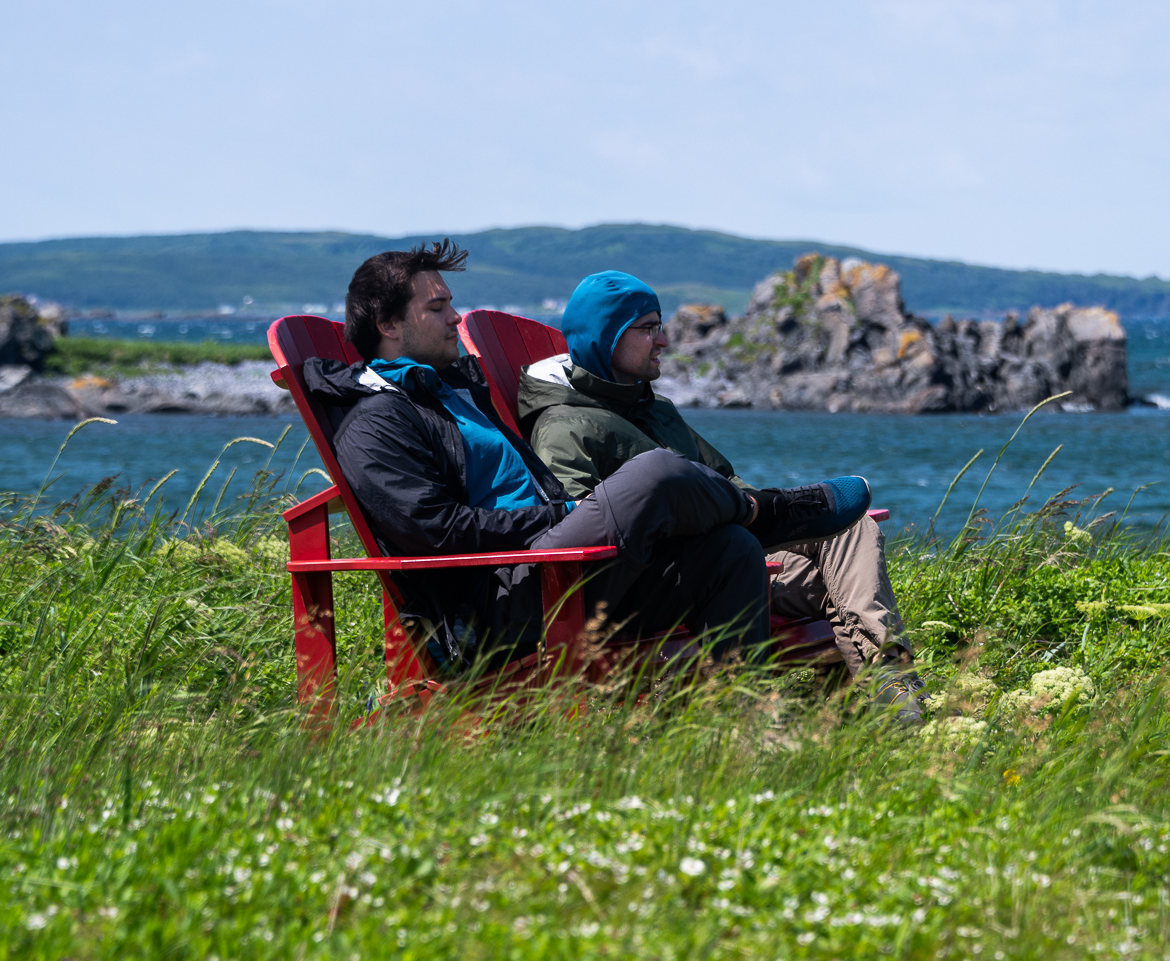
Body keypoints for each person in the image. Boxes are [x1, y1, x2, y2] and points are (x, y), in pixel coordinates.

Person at [305, 242, 867, 673]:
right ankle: (768, 512)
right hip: (504, 597)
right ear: (388, 326)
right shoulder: (375, 420)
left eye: (453, 304)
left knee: (729, 551)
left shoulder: (454, 393)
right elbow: (433, 531)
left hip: (558, 567)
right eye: (438, 307)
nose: (457, 317)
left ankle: (735, 732)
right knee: (655, 473)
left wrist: (566, 514)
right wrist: (558, 516)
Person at [519, 270, 925, 713]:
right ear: (606, 337)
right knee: (817, 569)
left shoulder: (652, 407)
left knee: (852, 528)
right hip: (675, 578)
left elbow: (725, 482)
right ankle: (882, 712)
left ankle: (894, 695)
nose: (664, 341)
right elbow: (590, 527)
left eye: (662, 326)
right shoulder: (563, 427)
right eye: (649, 328)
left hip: (738, 547)